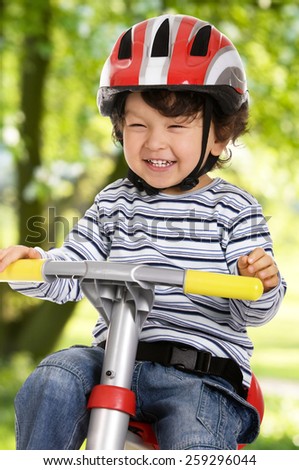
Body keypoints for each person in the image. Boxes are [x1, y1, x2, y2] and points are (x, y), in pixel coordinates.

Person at [0, 14, 286, 450]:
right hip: (112, 360)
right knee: (54, 379)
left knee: (195, 434)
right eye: (138, 125)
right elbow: (74, 269)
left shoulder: (235, 208)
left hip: (201, 374)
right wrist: (36, 265)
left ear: (218, 135)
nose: (154, 142)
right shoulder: (114, 201)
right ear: (120, 129)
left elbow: (254, 311)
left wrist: (260, 281)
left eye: (176, 126)